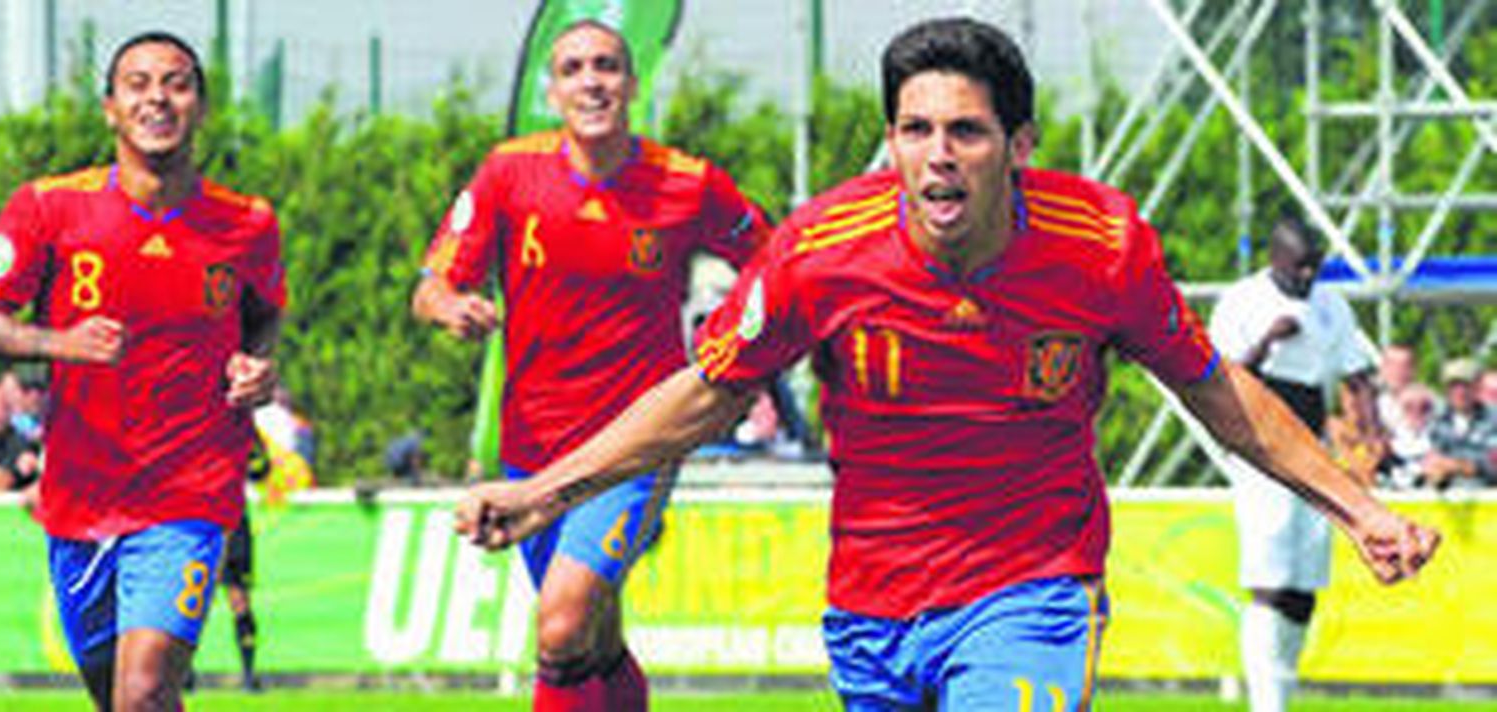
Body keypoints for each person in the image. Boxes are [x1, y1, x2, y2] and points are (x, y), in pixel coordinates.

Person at [452, 17, 1441, 712]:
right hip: (871, 608)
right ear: (889, 141)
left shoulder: (1101, 246)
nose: (937, 155)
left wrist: (1359, 509)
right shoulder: (819, 253)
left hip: (1033, 590)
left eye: (965, 131)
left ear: (1018, 145)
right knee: (568, 633)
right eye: (914, 130)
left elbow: (1217, 391)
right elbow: (706, 396)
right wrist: (542, 493)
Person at [411, 19, 770, 712]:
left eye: (606, 66)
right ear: (551, 92)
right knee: (593, 642)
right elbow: (431, 285)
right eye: (572, 69)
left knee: (561, 621)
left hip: (634, 449)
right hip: (531, 449)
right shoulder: (508, 172)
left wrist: (731, 342)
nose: (591, 82)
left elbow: (774, 266)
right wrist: (451, 306)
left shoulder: (687, 183)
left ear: (632, 85)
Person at [0, 31, 284, 712]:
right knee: (121, 701)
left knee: (144, 691)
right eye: (138, 84)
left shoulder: (246, 223)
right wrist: (57, 342)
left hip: (190, 494)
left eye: (177, 84)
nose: (158, 98)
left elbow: (264, 314)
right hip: (82, 498)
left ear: (200, 107)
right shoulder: (49, 207)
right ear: (110, 108)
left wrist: (259, 369)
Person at [1207, 215, 1385, 712]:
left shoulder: (1331, 304)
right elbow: (1220, 380)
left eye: (1315, 267)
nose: (1308, 276)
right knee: (1270, 575)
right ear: (1276, 258)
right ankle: (1268, 704)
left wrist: (1373, 434)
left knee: (1304, 582)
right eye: (1300, 267)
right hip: (1260, 445)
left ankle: (1282, 693)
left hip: (1313, 445)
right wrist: (1268, 339)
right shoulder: (1242, 301)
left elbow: (1357, 374)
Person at [1421, 357, 1497, 490]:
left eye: (1466, 385)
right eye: (1453, 386)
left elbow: (1493, 465)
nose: (1460, 392)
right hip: (1444, 495)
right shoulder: (1435, 419)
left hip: (1487, 493)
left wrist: (1460, 466)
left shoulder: (1492, 419)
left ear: (1477, 387)